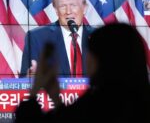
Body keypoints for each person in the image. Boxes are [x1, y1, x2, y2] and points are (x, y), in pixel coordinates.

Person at [15, 23, 150, 123]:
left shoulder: (95, 108)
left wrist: (35, 89)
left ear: (100, 61)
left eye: (90, 52)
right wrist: (56, 98)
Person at [20, 0, 93, 77]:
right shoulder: (37, 37)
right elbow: (24, 79)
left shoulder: (100, 37)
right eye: (63, 6)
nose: (68, 11)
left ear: (84, 8)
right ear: (56, 10)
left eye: (73, 5)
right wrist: (29, 78)